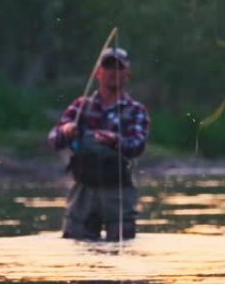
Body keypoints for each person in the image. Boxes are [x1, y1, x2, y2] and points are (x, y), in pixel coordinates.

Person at [48, 47, 150, 241]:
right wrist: (66, 131)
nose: (114, 72)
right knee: (77, 247)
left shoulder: (136, 110)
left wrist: (115, 141)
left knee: (122, 246)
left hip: (118, 191)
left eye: (119, 68)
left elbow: (137, 146)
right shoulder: (80, 106)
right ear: (98, 73)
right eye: (108, 67)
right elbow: (53, 140)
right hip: (83, 191)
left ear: (127, 74)